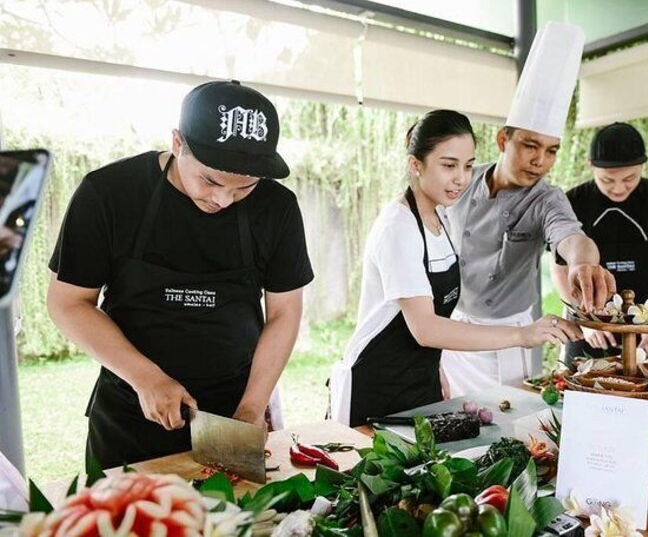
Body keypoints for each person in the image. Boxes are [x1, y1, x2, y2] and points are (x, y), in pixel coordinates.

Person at [46, 80, 313, 468]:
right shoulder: (109, 193)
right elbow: (68, 303)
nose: (223, 200)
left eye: (245, 187)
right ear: (177, 142)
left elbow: (285, 312)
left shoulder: (278, 208)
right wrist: (145, 377)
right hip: (129, 411)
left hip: (231, 413)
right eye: (210, 180)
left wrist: (253, 408)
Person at [329, 110, 581, 427]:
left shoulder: (437, 218)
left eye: (468, 165)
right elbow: (426, 329)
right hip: (379, 384)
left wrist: (436, 369)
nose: (461, 178)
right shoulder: (399, 228)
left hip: (419, 382)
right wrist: (522, 333)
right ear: (415, 164)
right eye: (448, 165)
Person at [442, 22, 614, 397]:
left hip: (509, 335)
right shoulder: (462, 178)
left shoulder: (546, 199)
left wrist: (584, 264)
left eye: (551, 150)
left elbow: (571, 237)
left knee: (505, 428)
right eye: (530, 145)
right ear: (503, 139)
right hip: (456, 328)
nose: (540, 161)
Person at [551, 123, 648, 361]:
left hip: (643, 319)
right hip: (588, 324)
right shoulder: (572, 202)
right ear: (591, 167)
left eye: (630, 178)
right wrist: (584, 320)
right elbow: (559, 268)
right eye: (607, 180)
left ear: (642, 167)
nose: (618, 189)